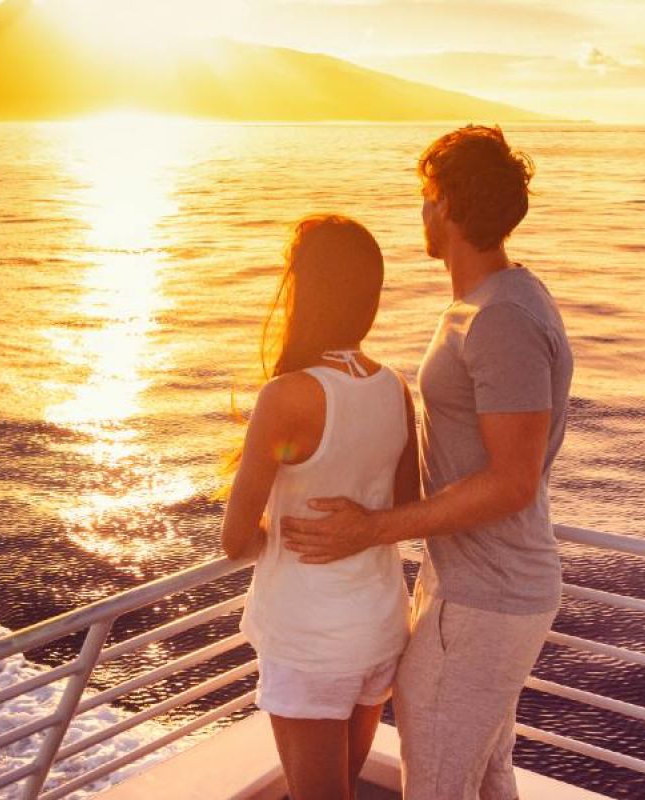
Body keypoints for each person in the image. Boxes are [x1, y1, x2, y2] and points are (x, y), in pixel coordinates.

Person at [282, 125, 573, 799]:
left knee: (437, 783)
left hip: (486, 596)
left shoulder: (499, 318)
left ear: (442, 204)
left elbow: (511, 480)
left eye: (424, 196)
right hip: (468, 585)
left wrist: (371, 528)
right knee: (487, 777)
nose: (420, 212)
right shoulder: (489, 303)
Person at [219, 215, 420, 800]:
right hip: (379, 626)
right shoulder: (393, 387)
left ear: (303, 291)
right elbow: (404, 504)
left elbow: (236, 540)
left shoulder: (287, 397)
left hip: (312, 639)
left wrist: (276, 533)